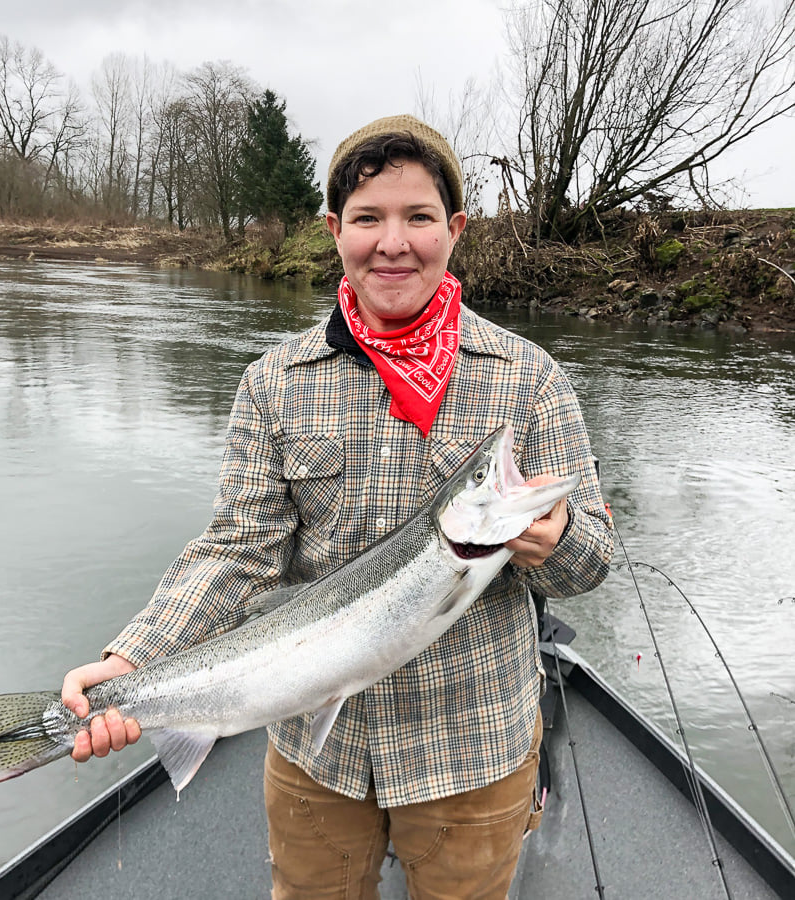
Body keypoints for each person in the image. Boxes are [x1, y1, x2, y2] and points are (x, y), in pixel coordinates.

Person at [62, 114, 613, 899]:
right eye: (368, 219)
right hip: (318, 756)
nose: (394, 243)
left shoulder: (531, 380)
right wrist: (130, 662)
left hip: (473, 750)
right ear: (334, 230)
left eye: (419, 218)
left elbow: (591, 561)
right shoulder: (274, 382)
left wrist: (553, 541)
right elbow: (237, 549)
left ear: (455, 229)